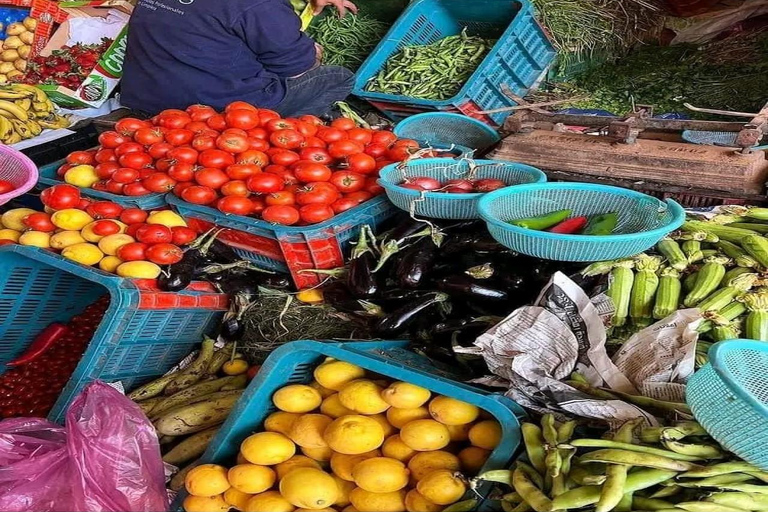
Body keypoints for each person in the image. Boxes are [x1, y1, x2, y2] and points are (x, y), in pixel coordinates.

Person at [121, 0, 357, 117]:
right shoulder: (262, 5)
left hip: (144, 97)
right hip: (215, 110)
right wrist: (310, 53)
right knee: (337, 77)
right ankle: (276, 131)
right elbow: (297, 70)